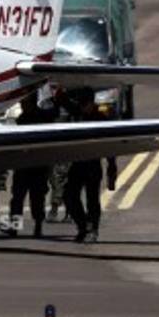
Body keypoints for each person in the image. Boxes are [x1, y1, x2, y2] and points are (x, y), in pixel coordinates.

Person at [7, 89, 57, 238]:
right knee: (21, 198)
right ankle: (20, 226)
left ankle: (34, 226)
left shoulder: (32, 118)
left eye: (24, 102)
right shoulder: (24, 118)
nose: (22, 105)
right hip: (28, 165)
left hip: (34, 165)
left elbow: (54, 113)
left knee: (32, 198)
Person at [62, 88, 107, 243]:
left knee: (92, 199)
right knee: (69, 195)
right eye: (80, 104)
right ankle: (83, 226)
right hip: (78, 163)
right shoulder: (78, 113)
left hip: (93, 164)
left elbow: (111, 144)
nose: (83, 107)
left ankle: (93, 229)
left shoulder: (101, 118)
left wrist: (112, 167)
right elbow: (63, 101)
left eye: (85, 104)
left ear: (91, 102)